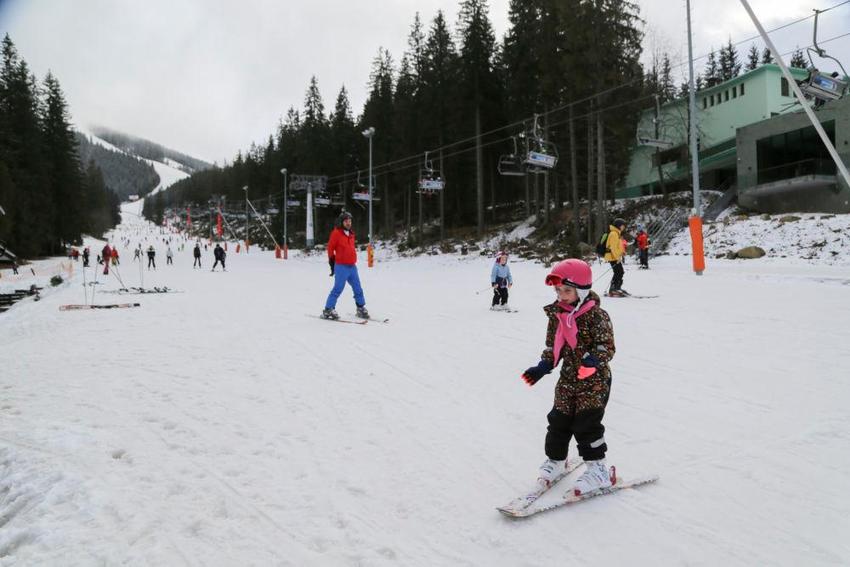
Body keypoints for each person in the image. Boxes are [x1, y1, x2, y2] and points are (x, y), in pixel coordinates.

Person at [520, 259, 616, 496]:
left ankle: (598, 470)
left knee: (587, 424)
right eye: (558, 290)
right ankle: (555, 461)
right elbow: (553, 346)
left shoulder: (597, 316)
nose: (561, 295)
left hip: (594, 381)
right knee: (558, 421)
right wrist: (543, 366)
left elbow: (607, 346)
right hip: (567, 379)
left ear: (581, 290)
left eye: (567, 290)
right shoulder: (558, 315)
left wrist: (592, 361)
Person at [322, 211, 368, 320]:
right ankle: (328, 309)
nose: (348, 223)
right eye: (346, 221)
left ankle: (360, 308)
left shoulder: (351, 234)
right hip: (341, 266)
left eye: (350, 221)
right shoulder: (336, 233)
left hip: (352, 266)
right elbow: (330, 248)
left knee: (358, 288)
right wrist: (332, 263)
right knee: (338, 288)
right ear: (342, 222)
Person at [603, 218, 627, 296]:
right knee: (619, 272)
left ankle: (616, 288)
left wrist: (622, 252)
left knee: (619, 272)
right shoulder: (614, 233)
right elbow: (613, 247)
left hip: (614, 256)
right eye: (623, 226)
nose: (624, 227)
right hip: (613, 257)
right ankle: (614, 289)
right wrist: (617, 257)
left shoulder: (617, 233)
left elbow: (618, 246)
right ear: (619, 225)